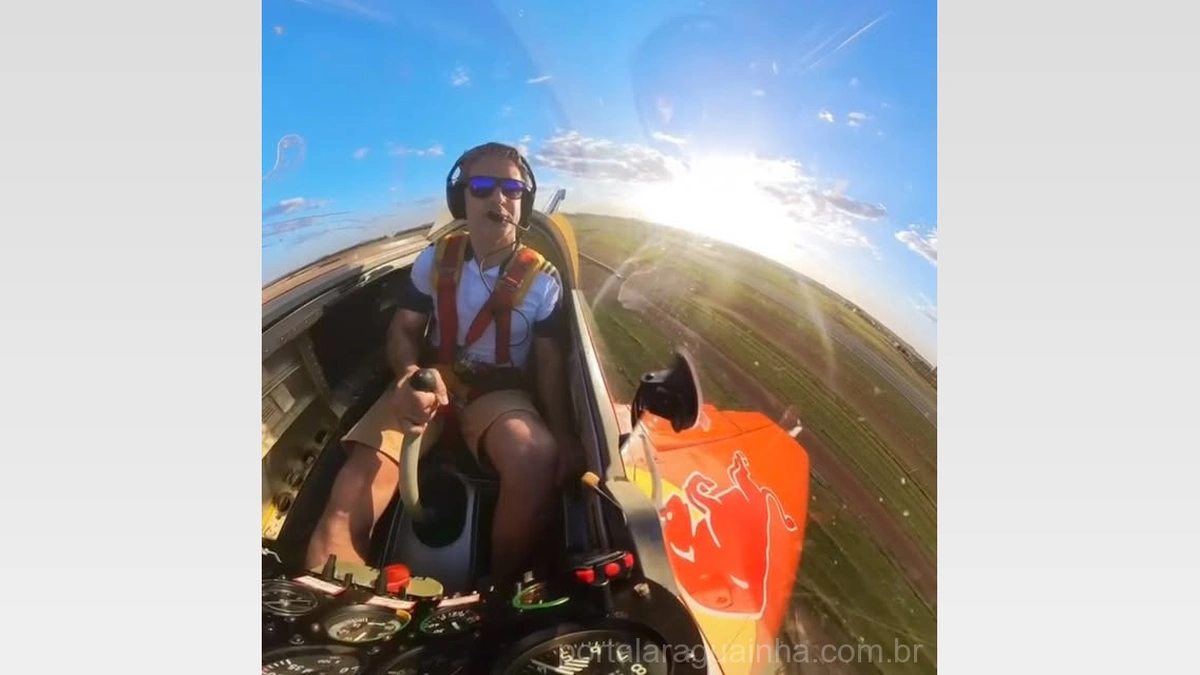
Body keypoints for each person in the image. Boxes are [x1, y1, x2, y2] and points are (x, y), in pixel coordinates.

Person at [305, 142, 576, 587]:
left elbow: (549, 365)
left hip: (498, 391)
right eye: (482, 186)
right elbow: (403, 331)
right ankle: (335, 594)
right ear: (461, 198)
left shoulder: (543, 282)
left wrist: (564, 434)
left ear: (522, 201)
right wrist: (409, 375)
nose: (498, 198)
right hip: (430, 380)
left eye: (511, 189)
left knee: (536, 456)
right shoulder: (434, 259)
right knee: (350, 494)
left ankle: (496, 592)